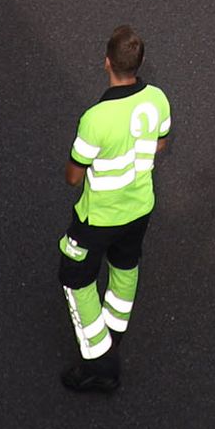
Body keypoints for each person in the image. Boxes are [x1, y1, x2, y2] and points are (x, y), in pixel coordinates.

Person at [58, 26, 170, 392]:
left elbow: (73, 177)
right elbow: (160, 144)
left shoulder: (96, 118)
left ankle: (100, 360)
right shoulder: (158, 99)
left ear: (107, 62)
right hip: (140, 208)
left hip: (99, 217)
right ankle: (114, 330)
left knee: (75, 278)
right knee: (125, 267)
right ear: (140, 63)